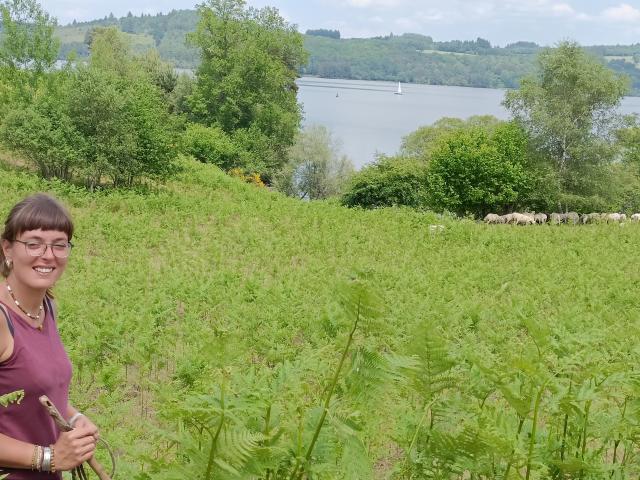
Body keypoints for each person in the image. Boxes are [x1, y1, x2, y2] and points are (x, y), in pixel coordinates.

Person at [0, 193, 98, 479]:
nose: (48, 255)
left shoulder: (46, 308)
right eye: (33, 243)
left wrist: (75, 418)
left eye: (59, 245)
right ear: (7, 248)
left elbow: (38, 394)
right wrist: (49, 457)